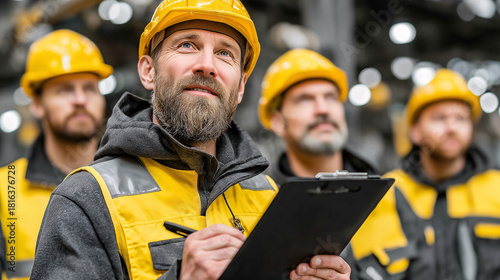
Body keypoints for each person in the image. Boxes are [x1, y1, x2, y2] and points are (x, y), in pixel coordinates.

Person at [30, 1, 351, 279]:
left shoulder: (269, 198)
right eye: (187, 45)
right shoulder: (85, 200)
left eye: (225, 53)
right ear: (148, 72)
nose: (207, 65)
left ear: (240, 88)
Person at [346, 69, 500, 279]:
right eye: (439, 118)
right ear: (415, 132)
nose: (451, 127)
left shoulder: (496, 188)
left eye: (461, 119)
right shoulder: (385, 194)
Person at [0, 29, 113, 279]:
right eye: (65, 90)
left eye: (90, 88)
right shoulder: (4, 189)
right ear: (38, 104)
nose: (80, 99)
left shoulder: (131, 178)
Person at [259, 48, 377, 186]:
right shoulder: (263, 202)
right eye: (305, 100)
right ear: (278, 122)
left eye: (331, 97)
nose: (323, 109)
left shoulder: (388, 198)